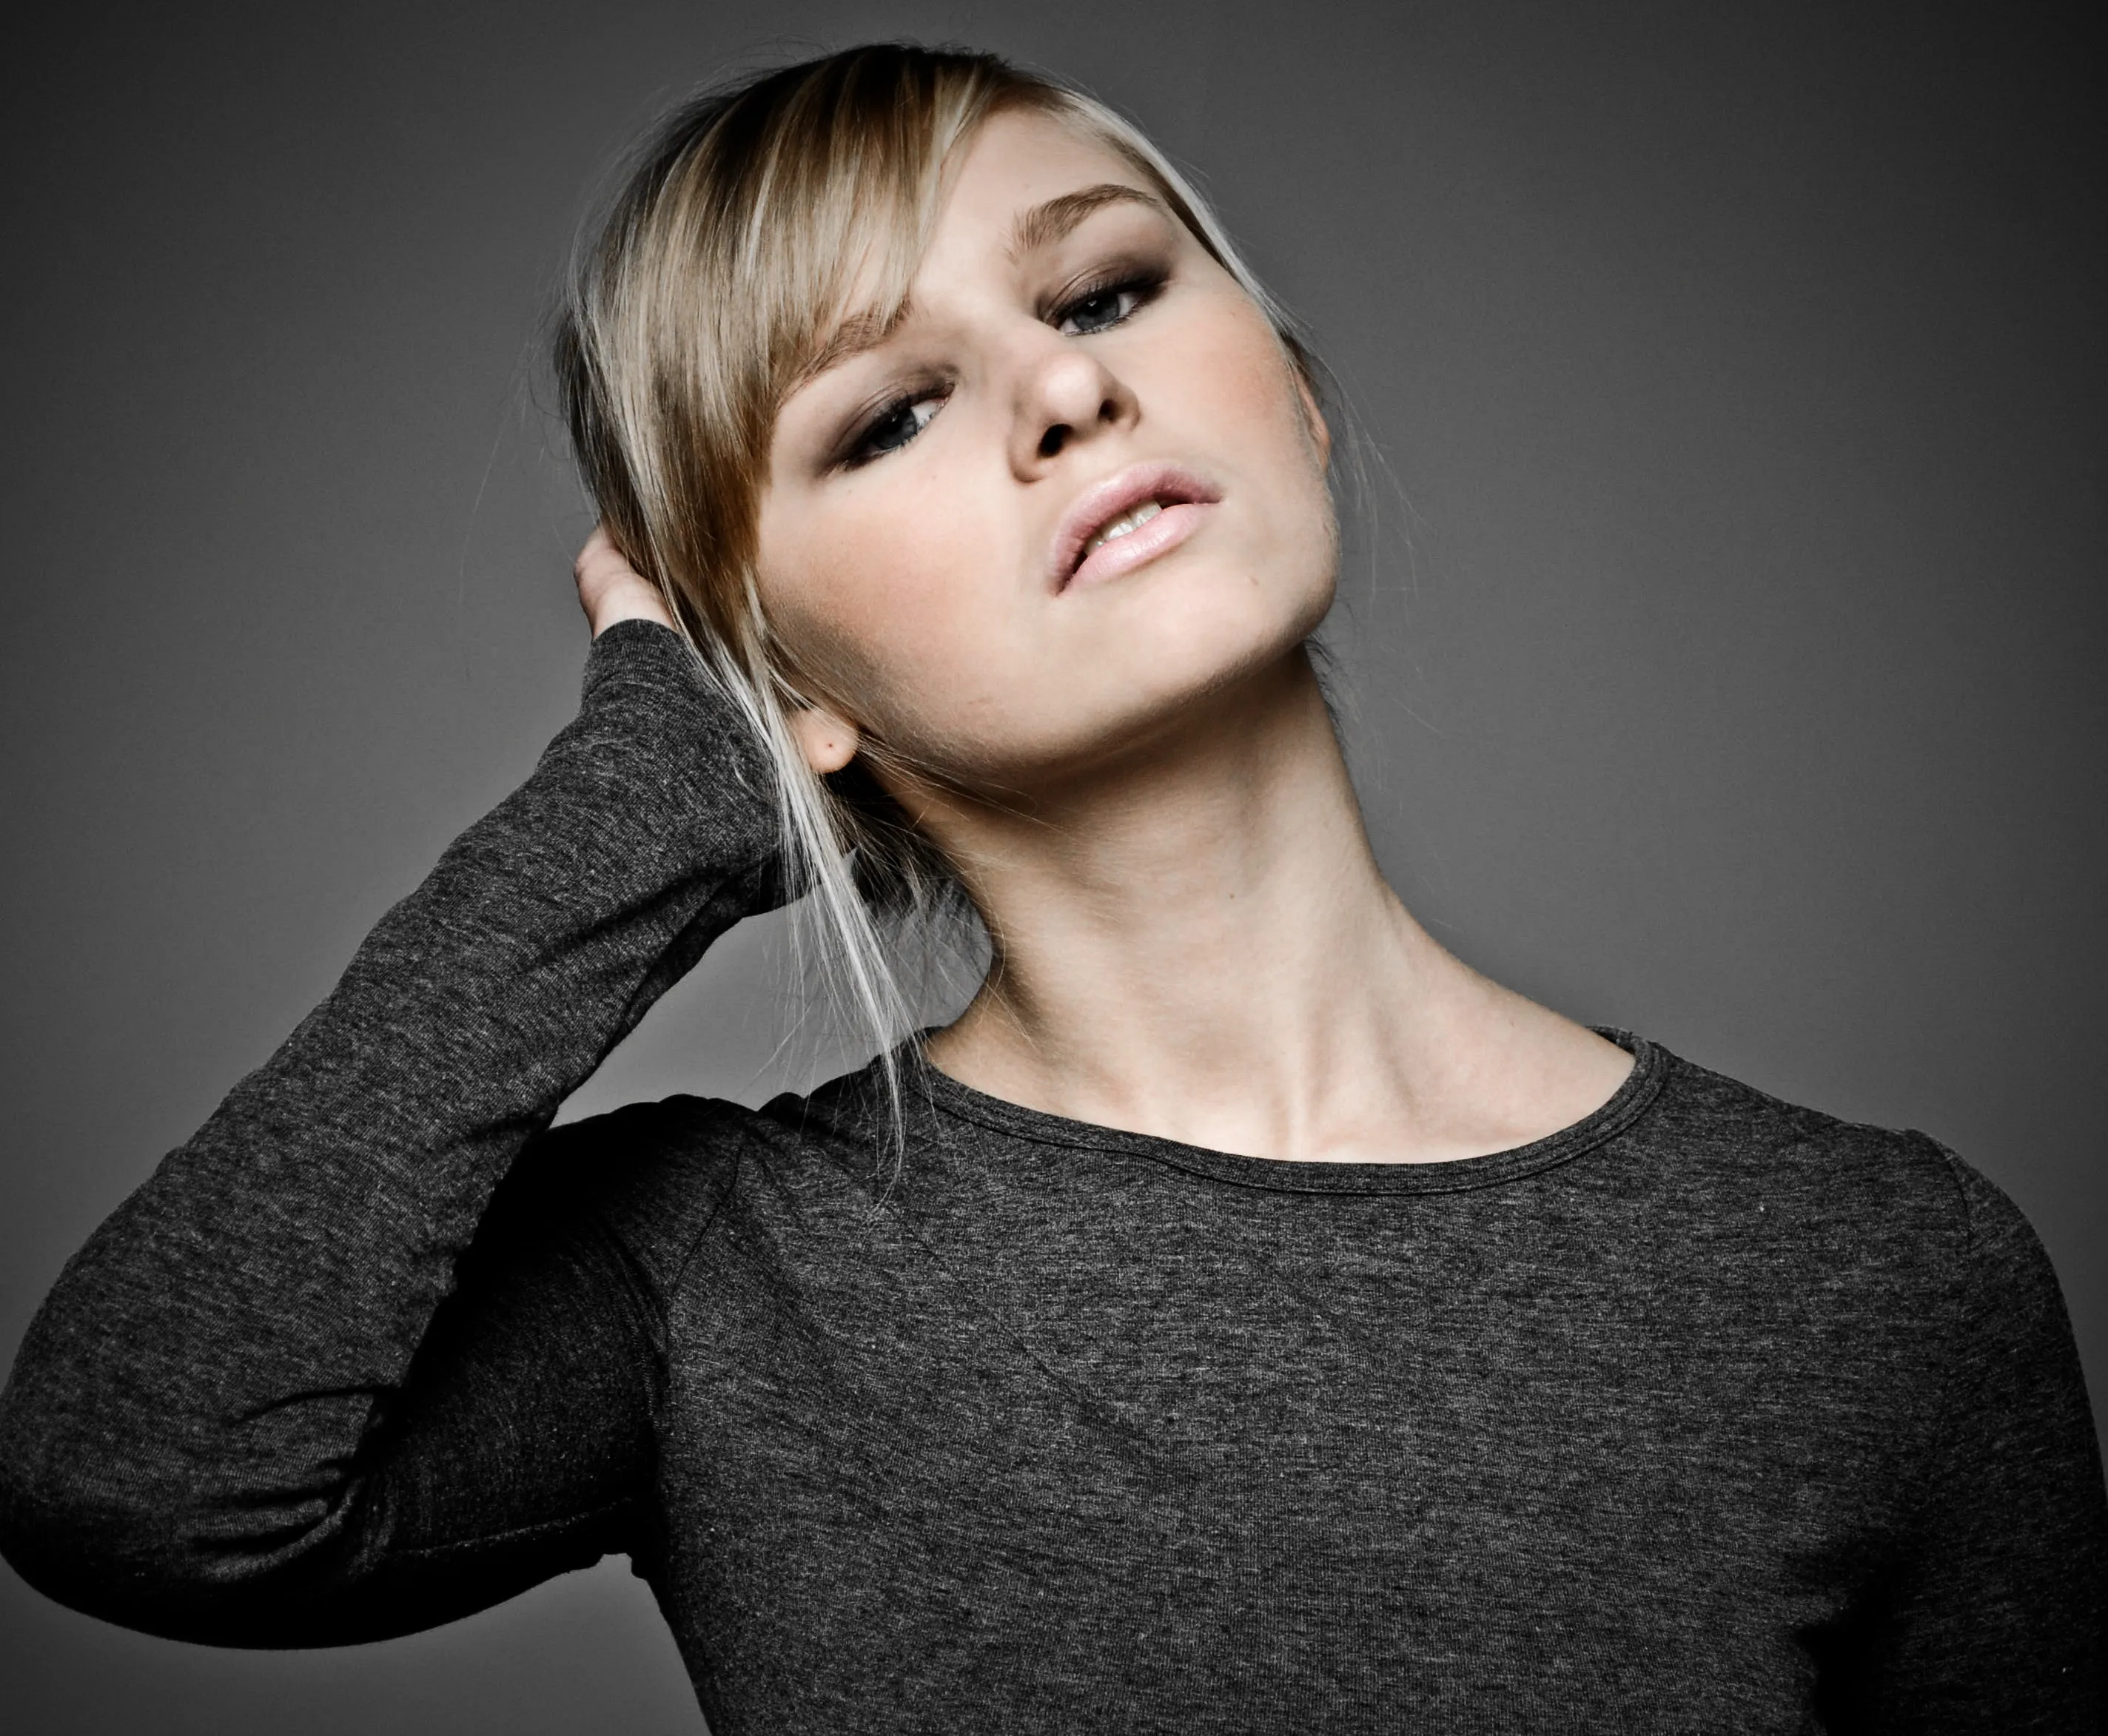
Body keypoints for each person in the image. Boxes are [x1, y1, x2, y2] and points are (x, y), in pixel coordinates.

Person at [0, 41, 2101, 1735]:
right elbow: (138, 1475)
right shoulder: (725, 1283)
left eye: (1102, 291)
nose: (1067, 392)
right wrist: (646, 792)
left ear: (1284, 381)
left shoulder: (1873, 1277)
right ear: (777, 672)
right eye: (892, 412)